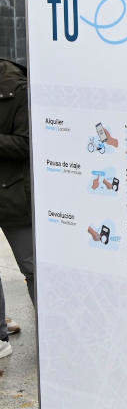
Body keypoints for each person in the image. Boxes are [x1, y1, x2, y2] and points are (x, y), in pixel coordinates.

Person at [0, 59, 33, 358]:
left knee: (31, 266)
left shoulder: (16, 88)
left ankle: (53, 333)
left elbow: (26, 143)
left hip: (13, 193)